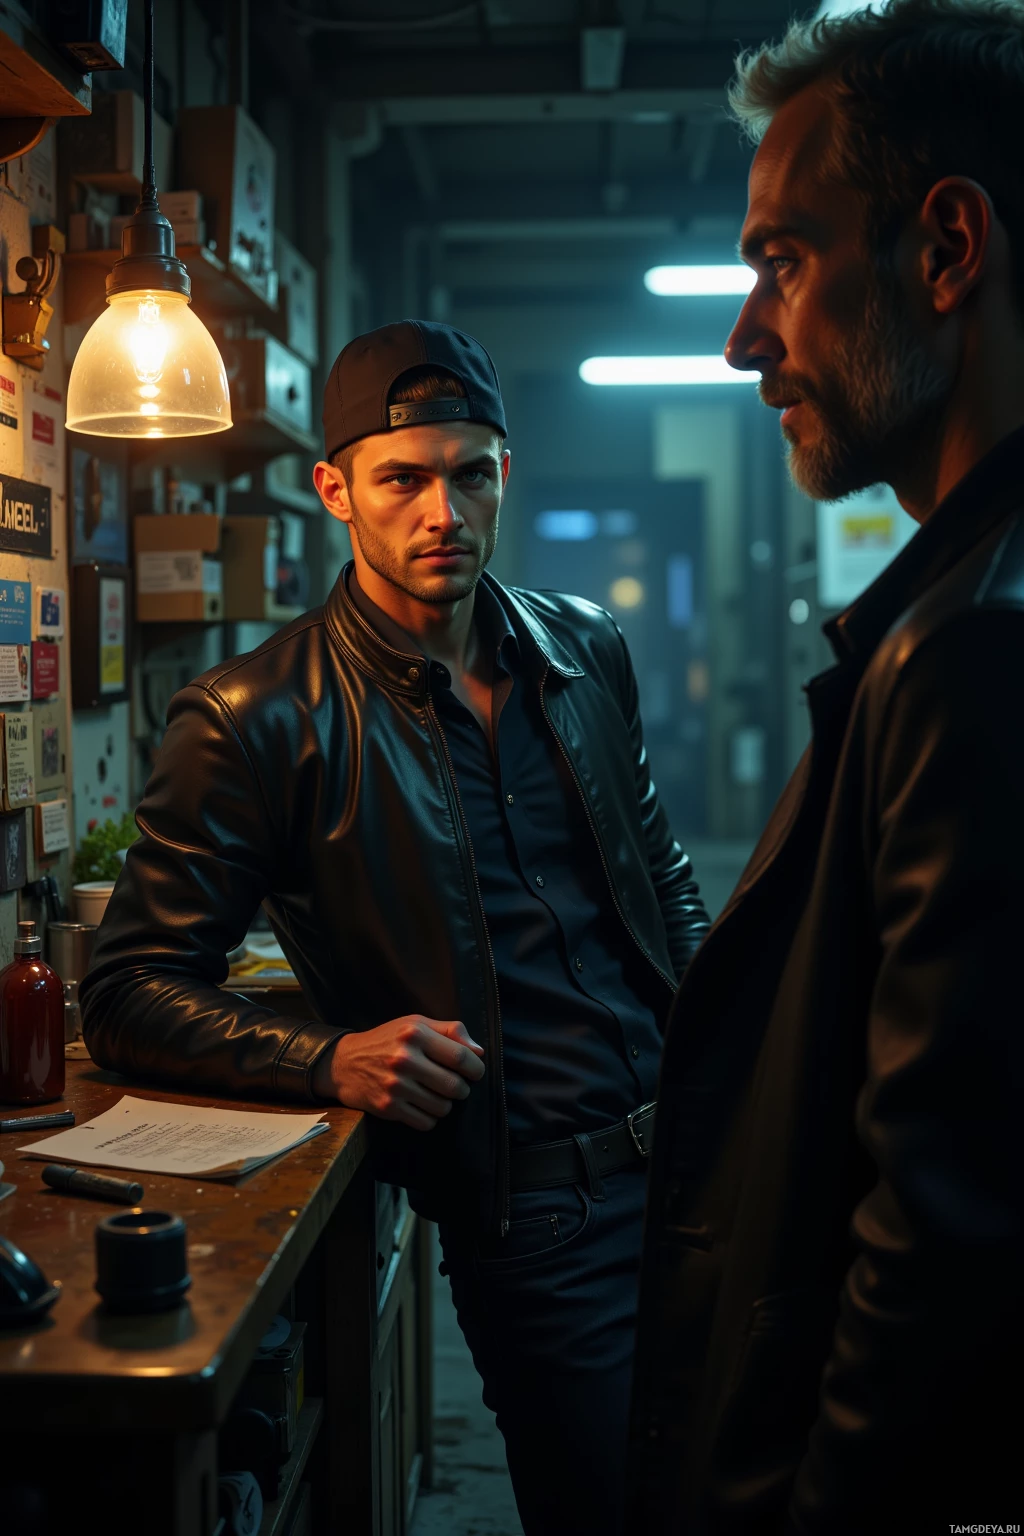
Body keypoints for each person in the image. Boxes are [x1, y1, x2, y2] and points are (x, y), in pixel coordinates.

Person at [80, 320, 710, 1536]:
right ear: (336, 491)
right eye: (402, 479)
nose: (442, 512)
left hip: (702, 1160)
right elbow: (129, 989)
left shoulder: (581, 650)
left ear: (504, 475)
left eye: (469, 473)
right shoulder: (253, 718)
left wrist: (724, 1047)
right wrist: (327, 1055)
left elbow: (659, 879)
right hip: (538, 1215)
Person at [629, 2, 1024, 1531]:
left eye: (783, 261)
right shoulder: (950, 610)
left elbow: (941, 1246)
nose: (746, 336)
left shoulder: (971, 649)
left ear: (944, 250)